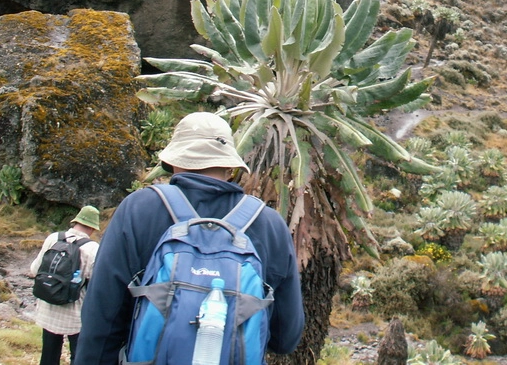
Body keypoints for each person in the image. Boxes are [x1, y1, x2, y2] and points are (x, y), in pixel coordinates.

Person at [75, 112, 305, 364]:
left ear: (175, 160)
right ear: (229, 166)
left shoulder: (139, 209)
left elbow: (101, 317)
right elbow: (286, 339)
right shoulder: (269, 224)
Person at [30, 205, 100, 365]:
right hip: (75, 312)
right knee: (78, 354)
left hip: (49, 306)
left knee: (49, 354)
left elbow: (34, 269)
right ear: (92, 228)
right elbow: (95, 283)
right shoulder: (92, 248)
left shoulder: (53, 238)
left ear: (76, 221)